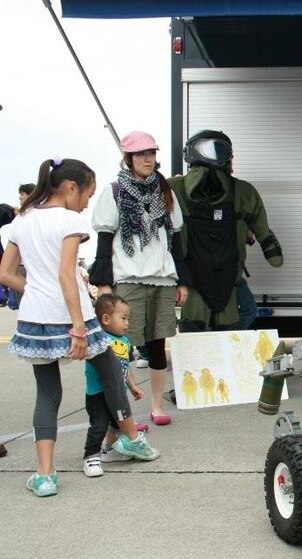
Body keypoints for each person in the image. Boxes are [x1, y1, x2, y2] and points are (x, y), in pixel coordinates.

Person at [0, 158, 160, 497]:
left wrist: (33, 292)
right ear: (71, 187)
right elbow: (64, 273)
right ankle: (131, 440)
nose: (86, 203)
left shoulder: (23, 219)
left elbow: (5, 273)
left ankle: (44, 475)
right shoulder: (69, 220)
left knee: (47, 393)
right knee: (110, 373)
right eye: (86, 194)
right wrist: (77, 326)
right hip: (72, 315)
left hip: (35, 319)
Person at [91, 131, 191, 426]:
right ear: (128, 158)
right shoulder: (114, 192)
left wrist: (181, 280)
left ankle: (157, 406)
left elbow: (176, 239)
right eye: (141, 154)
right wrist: (103, 283)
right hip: (129, 276)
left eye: (151, 153)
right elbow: (104, 238)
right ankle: (123, 413)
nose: (148, 158)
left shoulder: (165, 191)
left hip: (161, 277)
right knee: (122, 347)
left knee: (158, 344)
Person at [168, 130, 283, 332]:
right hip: (227, 280)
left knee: (195, 336)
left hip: (194, 281)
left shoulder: (173, 188)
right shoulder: (242, 192)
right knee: (229, 336)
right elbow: (264, 232)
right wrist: (269, 247)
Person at [83, 294, 155, 477]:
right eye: (123, 318)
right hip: (97, 393)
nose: (127, 323)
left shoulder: (125, 341)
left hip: (118, 393)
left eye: (128, 318)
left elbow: (126, 367)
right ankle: (91, 456)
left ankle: (110, 450)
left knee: (116, 424)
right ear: (106, 319)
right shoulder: (100, 339)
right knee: (99, 425)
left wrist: (132, 386)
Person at [4, 184, 33, 311]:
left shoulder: (34, 215)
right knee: (25, 303)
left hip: (30, 264)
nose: (20, 197)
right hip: (21, 265)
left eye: (22, 194)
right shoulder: (19, 216)